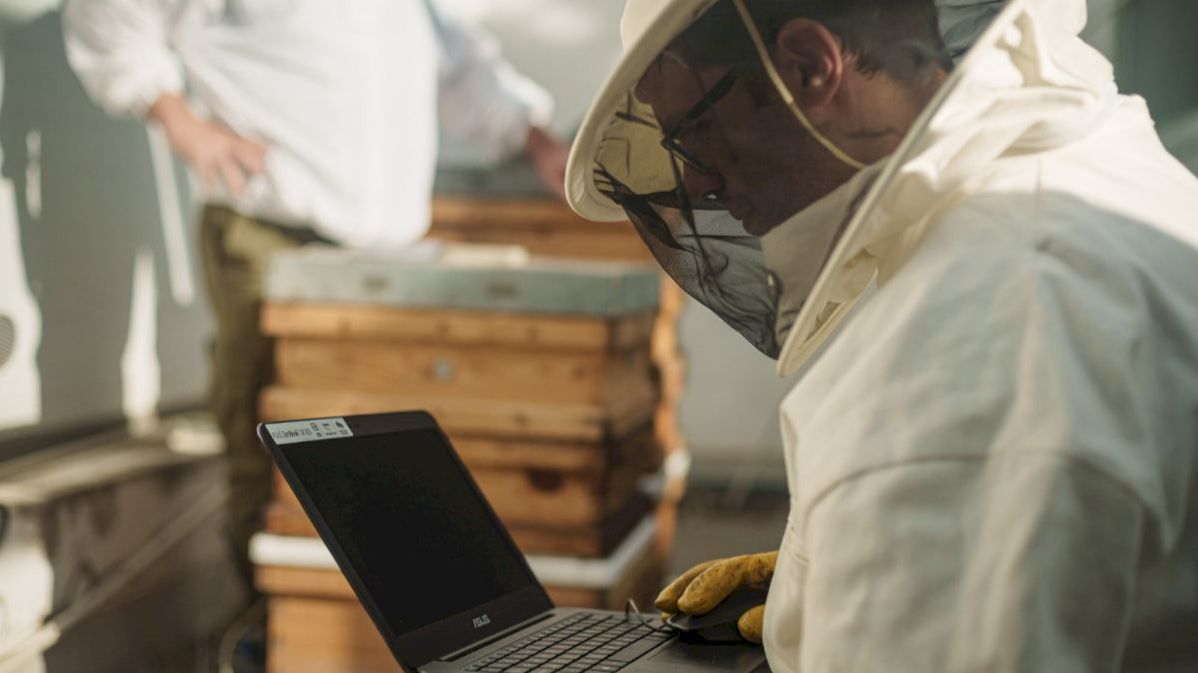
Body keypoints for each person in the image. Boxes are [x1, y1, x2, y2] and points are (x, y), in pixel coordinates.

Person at [565, 0, 1198, 671]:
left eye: (696, 130)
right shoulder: (1086, 161)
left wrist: (897, 518)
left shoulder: (972, 350)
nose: (695, 179)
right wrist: (839, 572)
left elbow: (968, 449)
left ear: (809, 67)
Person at [62, 0, 571, 584]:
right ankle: (263, 620)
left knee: (385, 442)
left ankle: (371, 615)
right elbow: (109, 12)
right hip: (269, 226)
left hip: (386, 251)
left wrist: (538, 141)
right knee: (271, 433)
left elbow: (463, 70)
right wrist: (182, 122)